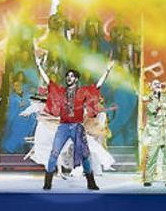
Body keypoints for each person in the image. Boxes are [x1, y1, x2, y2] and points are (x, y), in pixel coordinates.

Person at [36, 52, 114, 190]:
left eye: (72, 76)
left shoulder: (82, 92)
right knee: (54, 153)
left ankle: (91, 182)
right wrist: (39, 66)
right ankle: (47, 183)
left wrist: (107, 71)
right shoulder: (61, 91)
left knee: (84, 155)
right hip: (63, 127)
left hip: (78, 127)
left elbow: (97, 86)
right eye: (68, 76)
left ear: (76, 79)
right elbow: (48, 82)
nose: (69, 78)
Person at [142, 79, 166, 187]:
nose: (158, 86)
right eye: (155, 85)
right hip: (154, 134)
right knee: (152, 156)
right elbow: (152, 110)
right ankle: (148, 179)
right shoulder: (148, 99)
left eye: (159, 84)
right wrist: (156, 99)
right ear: (152, 87)